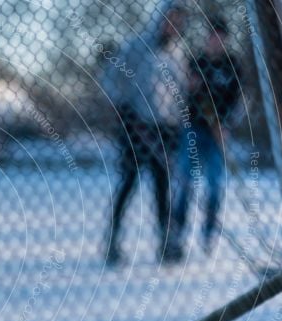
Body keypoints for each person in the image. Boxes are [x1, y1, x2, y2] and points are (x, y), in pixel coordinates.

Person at [102, 2, 190, 266]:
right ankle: (113, 241)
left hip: (165, 130)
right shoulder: (136, 47)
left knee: (163, 187)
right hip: (135, 127)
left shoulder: (177, 54)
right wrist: (126, 114)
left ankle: (166, 243)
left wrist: (177, 124)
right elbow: (111, 80)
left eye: (178, 21)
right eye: (169, 19)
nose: (172, 26)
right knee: (129, 183)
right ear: (160, 19)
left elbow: (180, 93)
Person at [171, 17, 241, 255]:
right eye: (213, 36)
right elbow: (180, 95)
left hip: (219, 132)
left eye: (221, 37)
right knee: (186, 182)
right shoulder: (195, 62)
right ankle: (178, 232)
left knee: (215, 184)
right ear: (207, 38)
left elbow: (239, 101)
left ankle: (208, 233)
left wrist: (227, 125)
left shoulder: (233, 65)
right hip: (194, 128)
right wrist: (189, 88)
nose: (216, 41)